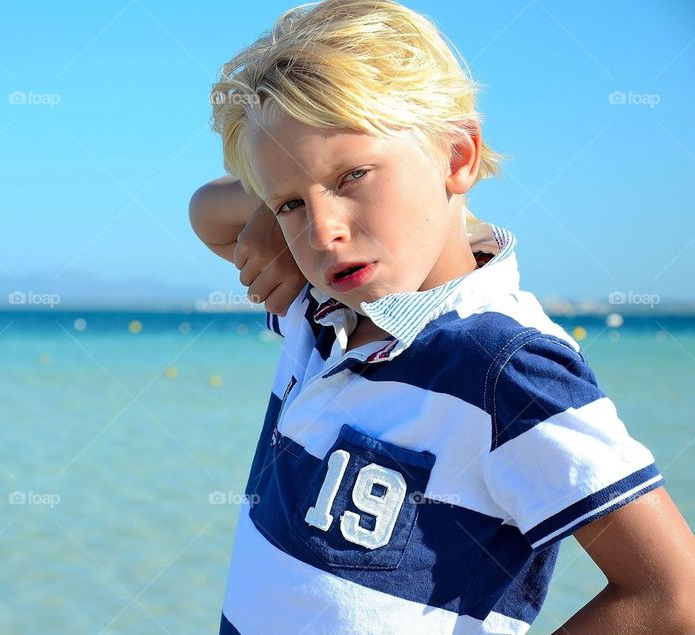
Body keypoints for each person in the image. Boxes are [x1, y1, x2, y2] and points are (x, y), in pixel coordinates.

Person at [188, 1, 695, 633]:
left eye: (352, 177)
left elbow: (672, 593)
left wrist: (288, 194)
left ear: (457, 158)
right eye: (293, 203)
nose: (323, 231)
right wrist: (270, 207)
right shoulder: (321, 317)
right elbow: (206, 212)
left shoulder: (503, 364)